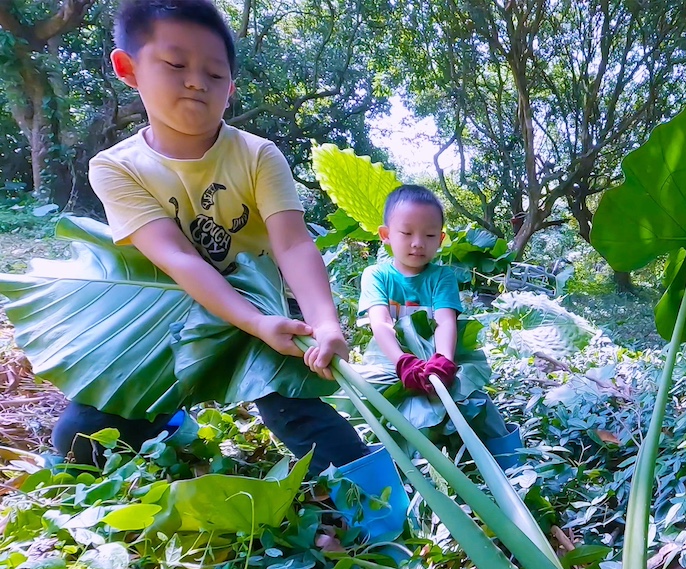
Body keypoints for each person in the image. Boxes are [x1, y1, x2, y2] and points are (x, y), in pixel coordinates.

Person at [51, 0, 372, 479]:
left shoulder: (257, 154)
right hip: (181, 310)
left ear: (231, 89)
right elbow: (179, 258)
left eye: (215, 74)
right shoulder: (115, 167)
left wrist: (324, 324)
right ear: (128, 69)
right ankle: (172, 422)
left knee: (296, 409)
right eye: (176, 64)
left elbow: (293, 244)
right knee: (78, 439)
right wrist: (249, 323)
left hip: (270, 302)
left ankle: (381, 505)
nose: (197, 81)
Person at [358, 185, 523, 469]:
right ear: (385, 235)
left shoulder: (442, 276)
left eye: (430, 235)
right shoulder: (376, 275)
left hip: (440, 361)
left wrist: (444, 361)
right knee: (367, 418)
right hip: (390, 363)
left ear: (441, 239)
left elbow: (445, 320)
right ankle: (394, 476)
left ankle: (515, 466)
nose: (418, 243)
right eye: (407, 233)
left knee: (481, 407)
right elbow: (380, 323)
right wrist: (403, 362)